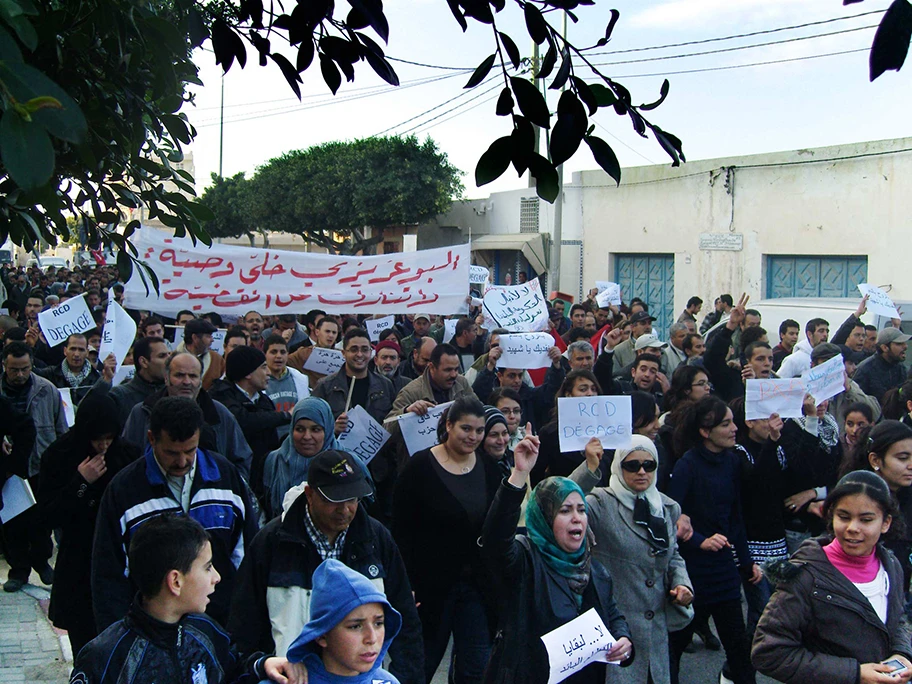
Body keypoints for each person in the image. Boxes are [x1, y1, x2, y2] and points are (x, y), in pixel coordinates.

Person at [230, 449, 424, 684]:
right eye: (334, 500)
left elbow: (404, 617)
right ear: (310, 495)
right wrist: (261, 666)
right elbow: (243, 626)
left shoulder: (376, 538)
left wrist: (405, 677)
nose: (344, 510)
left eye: (352, 499)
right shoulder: (271, 542)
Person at [481, 428, 634, 684]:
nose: (577, 518)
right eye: (565, 510)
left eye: (581, 510)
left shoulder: (595, 570)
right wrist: (519, 474)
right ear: (544, 518)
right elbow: (495, 539)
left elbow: (613, 615)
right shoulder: (524, 561)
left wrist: (624, 640)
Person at [92, 397, 258, 631]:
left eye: (190, 451)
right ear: (152, 438)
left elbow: (247, 556)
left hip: (221, 628)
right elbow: (109, 575)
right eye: (171, 453)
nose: (182, 462)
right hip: (151, 632)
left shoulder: (226, 478)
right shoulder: (125, 490)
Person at [72, 515, 299, 684]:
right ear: (176, 582)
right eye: (208, 567)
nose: (217, 578)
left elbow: (234, 666)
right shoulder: (105, 658)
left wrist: (263, 664)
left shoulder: (205, 631)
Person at [752, 471, 912, 684]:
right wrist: (854, 674)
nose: (853, 528)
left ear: (886, 522)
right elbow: (769, 653)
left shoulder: (891, 565)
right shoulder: (805, 575)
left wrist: (902, 653)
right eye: (844, 517)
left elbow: (897, 617)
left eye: (866, 519)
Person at [392, 396, 501, 683]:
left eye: (479, 431)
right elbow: (401, 530)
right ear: (449, 425)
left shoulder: (488, 466)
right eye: (466, 429)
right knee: (419, 666)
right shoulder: (420, 467)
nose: (473, 437)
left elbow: (496, 522)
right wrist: (406, 584)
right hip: (430, 589)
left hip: (476, 587)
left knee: (476, 668)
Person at [567, 435, 692, 684]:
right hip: (614, 630)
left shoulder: (667, 507)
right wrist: (589, 468)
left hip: (657, 631)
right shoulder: (600, 502)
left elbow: (673, 555)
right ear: (618, 466)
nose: (642, 472)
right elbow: (561, 501)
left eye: (649, 465)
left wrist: (682, 584)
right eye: (632, 465)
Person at [668, 396, 762, 684]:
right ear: (705, 431)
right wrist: (699, 540)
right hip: (691, 570)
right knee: (676, 646)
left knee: (738, 647)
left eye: (733, 421)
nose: (735, 428)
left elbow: (735, 518)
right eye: (726, 424)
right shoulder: (687, 465)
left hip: (723, 570)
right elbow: (672, 518)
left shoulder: (732, 461)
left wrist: (747, 564)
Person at [37, 393, 140, 654]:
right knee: (85, 649)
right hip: (79, 563)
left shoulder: (127, 455)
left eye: (109, 438)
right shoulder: (59, 455)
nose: (104, 446)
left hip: (121, 564)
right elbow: (48, 516)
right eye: (97, 439)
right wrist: (81, 483)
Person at [121, 352, 253, 479]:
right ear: (166, 379)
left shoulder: (220, 414)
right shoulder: (142, 412)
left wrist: (228, 489)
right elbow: (126, 460)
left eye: (193, 376)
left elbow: (242, 458)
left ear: (200, 380)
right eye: (179, 375)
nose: (187, 381)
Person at [0, 341, 66, 592]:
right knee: (12, 523)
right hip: (8, 471)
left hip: (41, 465)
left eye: (25, 369)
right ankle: (18, 570)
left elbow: (61, 430)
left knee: (42, 521)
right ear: (4, 366)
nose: (19, 375)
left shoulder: (46, 390)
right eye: (14, 369)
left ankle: (42, 562)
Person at [284, 559, 402, 684]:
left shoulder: (388, 681)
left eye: (378, 623)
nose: (371, 638)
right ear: (321, 636)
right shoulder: (288, 680)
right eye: (356, 626)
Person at [838, 420, 912, 593]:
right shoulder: (856, 497)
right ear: (875, 459)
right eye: (902, 458)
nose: (910, 465)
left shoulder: (906, 495)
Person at [210, 345, 291, 496]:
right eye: (263, 367)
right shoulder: (221, 396)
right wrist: (286, 415)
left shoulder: (263, 400)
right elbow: (244, 421)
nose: (268, 373)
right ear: (248, 373)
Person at [261, 397, 337, 520]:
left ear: (327, 431)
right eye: (300, 429)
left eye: (315, 429)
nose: (307, 437)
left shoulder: (347, 464)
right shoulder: (273, 461)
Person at [102, 336, 170, 424]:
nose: (169, 360)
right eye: (162, 356)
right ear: (143, 362)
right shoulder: (120, 395)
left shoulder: (174, 391)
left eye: (169, 354)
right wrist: (105, 382)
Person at [263, 334, 311, 439]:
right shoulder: (258, 381)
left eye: (283, 352)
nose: (279, 356)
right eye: (273, 352)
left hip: (296, 438)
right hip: (270, 439)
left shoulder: (300, 378)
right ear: (265, 355)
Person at [854, 327, 911, 404]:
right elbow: (856, 401)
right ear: (884, 348)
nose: (905, 347)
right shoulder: (865, 369)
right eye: (899, 344)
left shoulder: (901, 368)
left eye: (904, 343)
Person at [176, 318, 225, 390]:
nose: (212, 340)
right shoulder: (172, 360)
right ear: (195, 338)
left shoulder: (217, 360)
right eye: (208, 336)